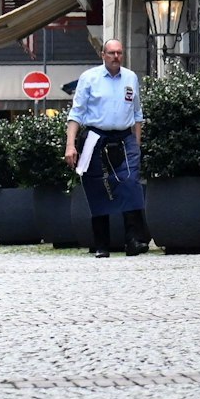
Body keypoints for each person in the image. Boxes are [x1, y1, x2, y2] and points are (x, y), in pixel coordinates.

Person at [64, 39, 149, 258]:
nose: (116, 56)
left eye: (120, 52)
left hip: (124, 138)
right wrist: (70, 145)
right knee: (99, 187)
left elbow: (137, 114)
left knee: (130, 184)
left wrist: (136, 145)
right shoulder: (89, 78)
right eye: (111, 53)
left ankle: (133, 240)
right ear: (103, 55)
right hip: (95, 138)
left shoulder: (131, 78)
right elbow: (76, 114)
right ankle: (102, 244)